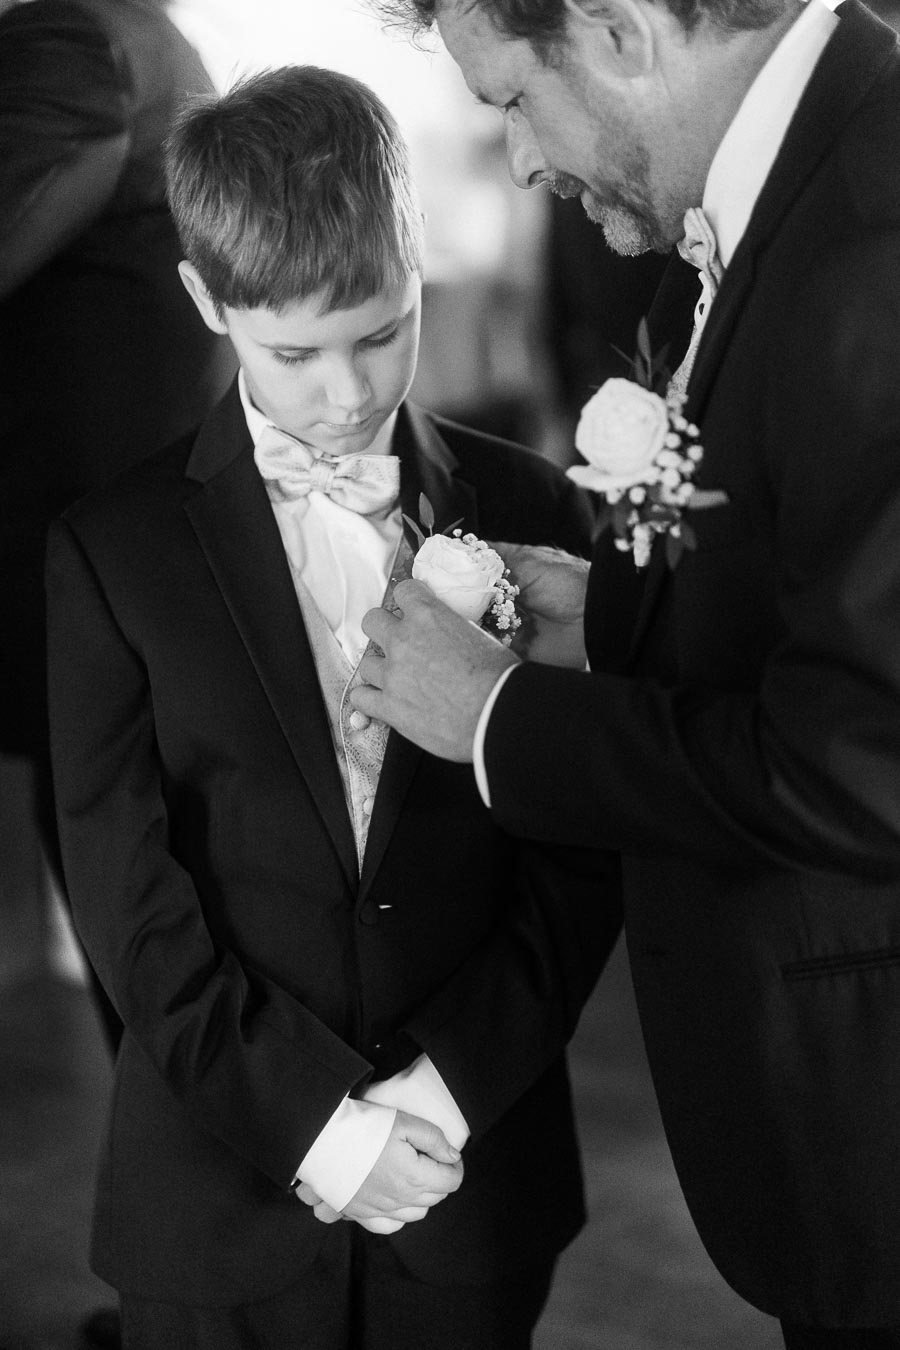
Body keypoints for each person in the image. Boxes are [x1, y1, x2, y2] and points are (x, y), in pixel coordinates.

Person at [46, 65, 620, 1349]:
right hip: (213, 1196)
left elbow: (578, 859)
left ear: (416, 265)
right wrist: (317, 1122)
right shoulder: (110, 551)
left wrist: (452, 1086)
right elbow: (127, 902)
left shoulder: (539, 518)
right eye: (292, 353)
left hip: (469, 1182)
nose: (347, 393)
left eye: (382, 329)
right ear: (207, 300)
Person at [356, 0, 900, 1346]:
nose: (523, 162)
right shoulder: (809, 187)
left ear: (620, 28)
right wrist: (609, 616)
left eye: (513, 102)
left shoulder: (877, 244)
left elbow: (866, 765)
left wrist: (493, 718)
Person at [0, 0, 235, 1054]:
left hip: (83, 566)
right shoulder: (137, 32)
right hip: (127, 552)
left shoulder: (72, 43)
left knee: (129, 892)